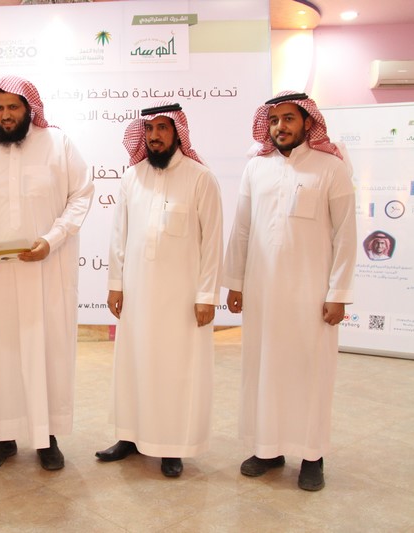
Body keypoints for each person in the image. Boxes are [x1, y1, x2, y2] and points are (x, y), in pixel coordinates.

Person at [223, 91, 356, 491]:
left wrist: (338, 292)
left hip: (310, 294)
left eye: (289, 119)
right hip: (263, 291)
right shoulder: (256, 167)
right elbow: (242, 228)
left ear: (307, 122)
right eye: (274, 120)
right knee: (263, 370)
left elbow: (345, 233)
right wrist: (235, 282)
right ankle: (268, 449)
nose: (280, 126)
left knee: (309, 372)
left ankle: (312, 456)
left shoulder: (331, 167)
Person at [0, 75, 94, 471]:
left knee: (47, 353)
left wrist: (52, 239)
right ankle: (1, 437)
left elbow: (81, 194)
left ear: (29, 108)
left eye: (13, 107)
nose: (6, 115)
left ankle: (46, 437)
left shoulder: (59, 144)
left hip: (46, 273)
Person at [95, 103, 223, 477]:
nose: (154, 136)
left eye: (163, 128)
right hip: (137, 294)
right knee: (133, 364)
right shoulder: (131, 177)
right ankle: (129, 436)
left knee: (175, 370)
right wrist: (115, 285)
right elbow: (119, 235)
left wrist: (206, 295)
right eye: (149, 129)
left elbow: (213, 241)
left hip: (181, 299)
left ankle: (172, 445)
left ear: (177, 132)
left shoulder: (200, 178)